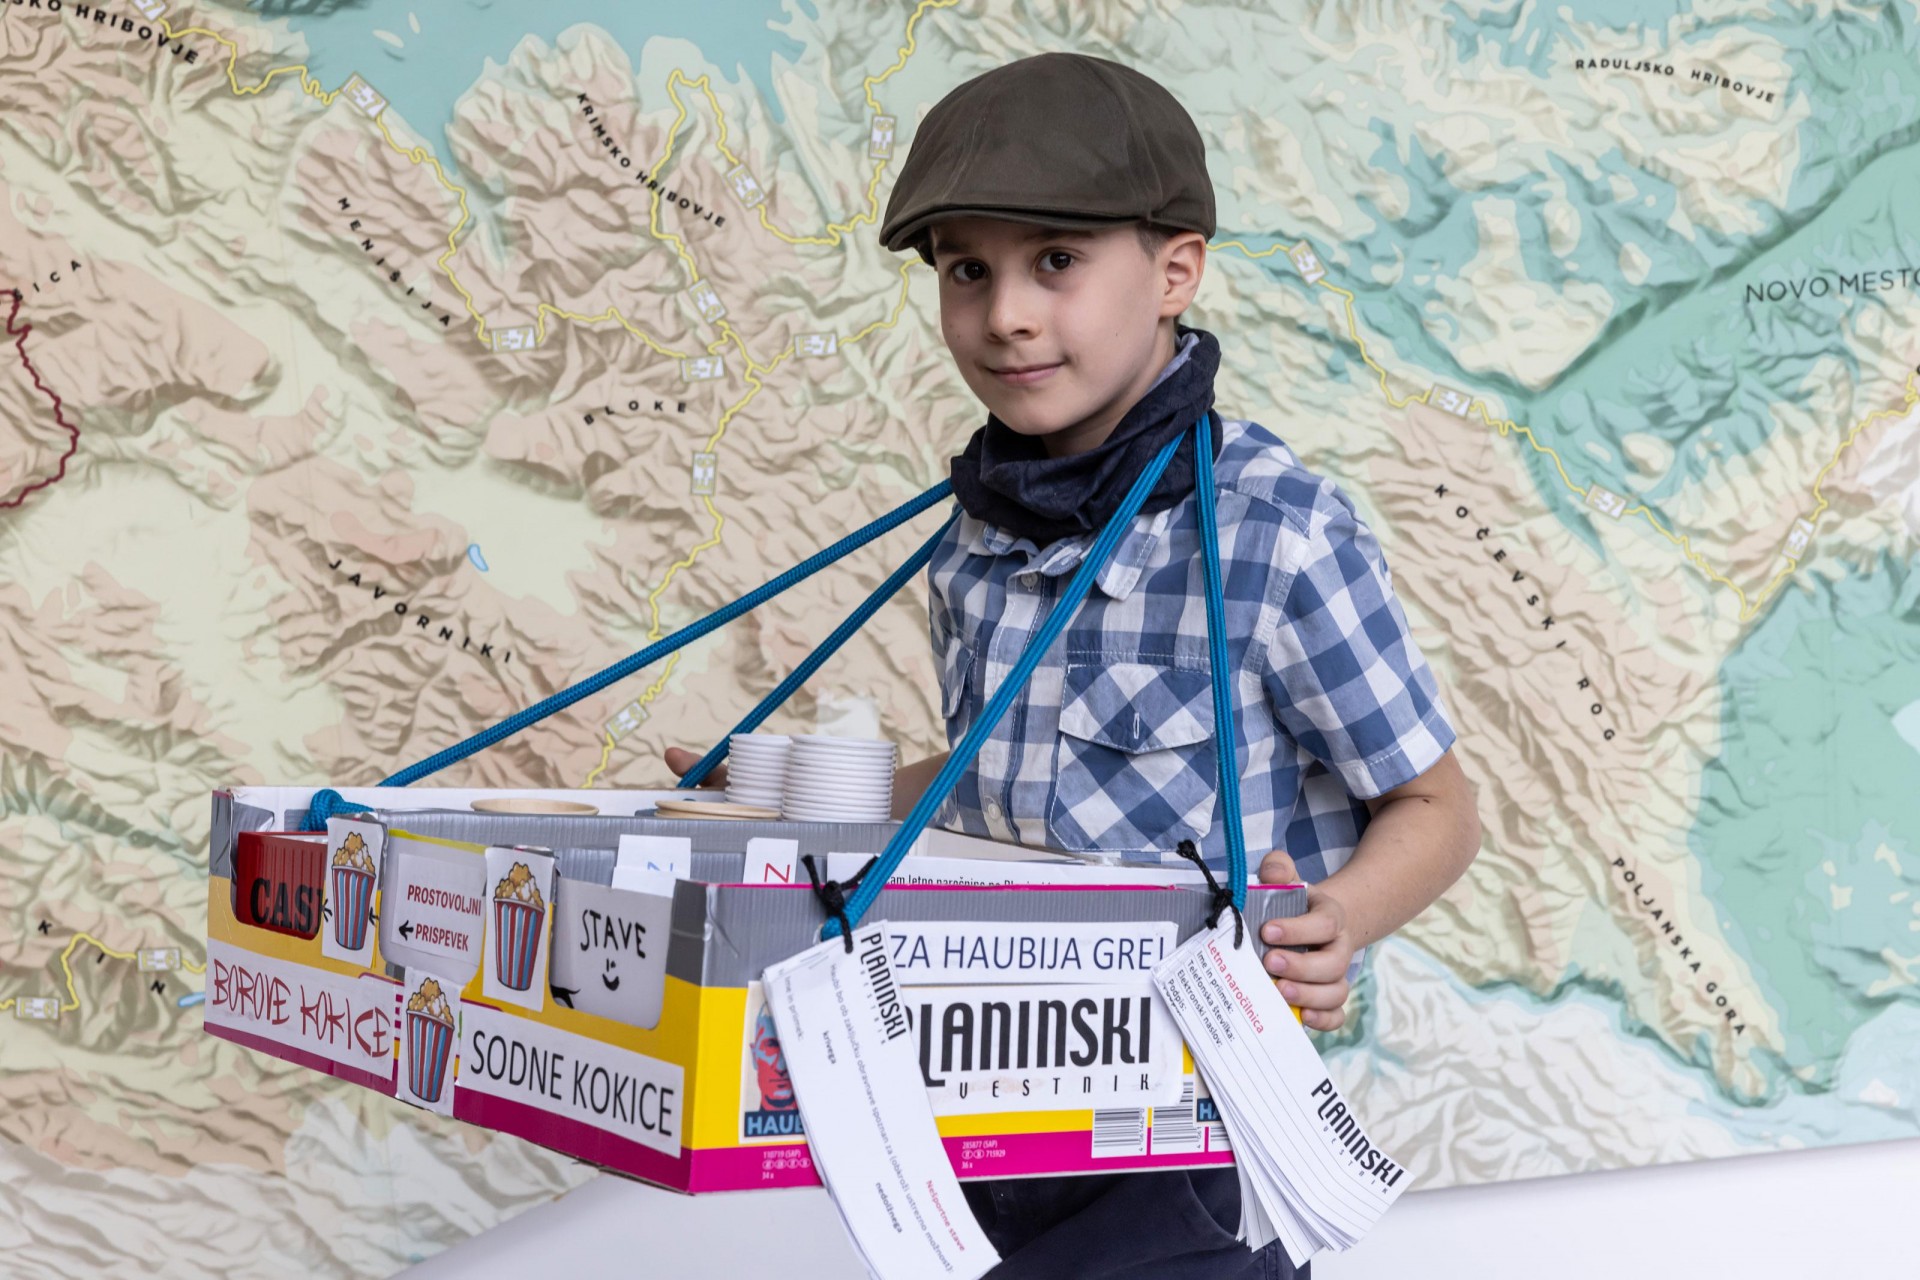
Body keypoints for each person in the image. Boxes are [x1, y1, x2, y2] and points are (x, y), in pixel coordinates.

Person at [667, 50, 1481, 1280]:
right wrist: (784, 791)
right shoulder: (976, 541)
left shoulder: (1277, 533)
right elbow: (995, 781)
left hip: (1192, 1142)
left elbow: (1437, 804)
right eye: (967, 270)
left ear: (1175, 271)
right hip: (982, 1114)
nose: (1006, 313)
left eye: (1056, 260)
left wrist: (1339, 919)